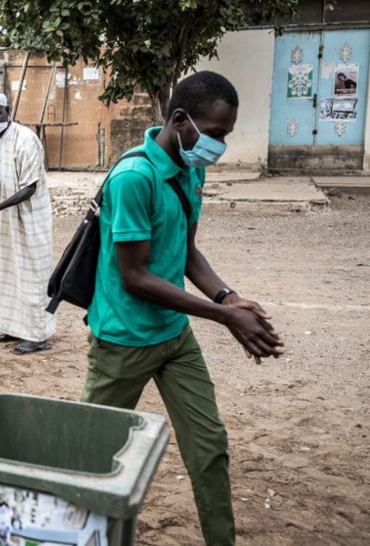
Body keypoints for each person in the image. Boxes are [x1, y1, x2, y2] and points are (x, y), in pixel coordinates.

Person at [81, 72, 284, 545]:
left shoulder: (193, 170)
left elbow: (187, 251)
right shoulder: (134, 177)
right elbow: (136, 276)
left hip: (174, 337)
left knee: (210, 447)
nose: (219, 147)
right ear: (179, 119)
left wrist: (227, 297)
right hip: (123, 341)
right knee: (94, 453)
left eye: (225, 136)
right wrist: (223, 317)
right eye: (215, 135)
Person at [0, 93, 55, 355]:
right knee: (5, 271)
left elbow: (29, 187)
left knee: (32, 273)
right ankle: (11, 326)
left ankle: (38, 335)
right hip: (2, 220)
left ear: (9, 110)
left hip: (29, 217)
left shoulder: (26, 139)